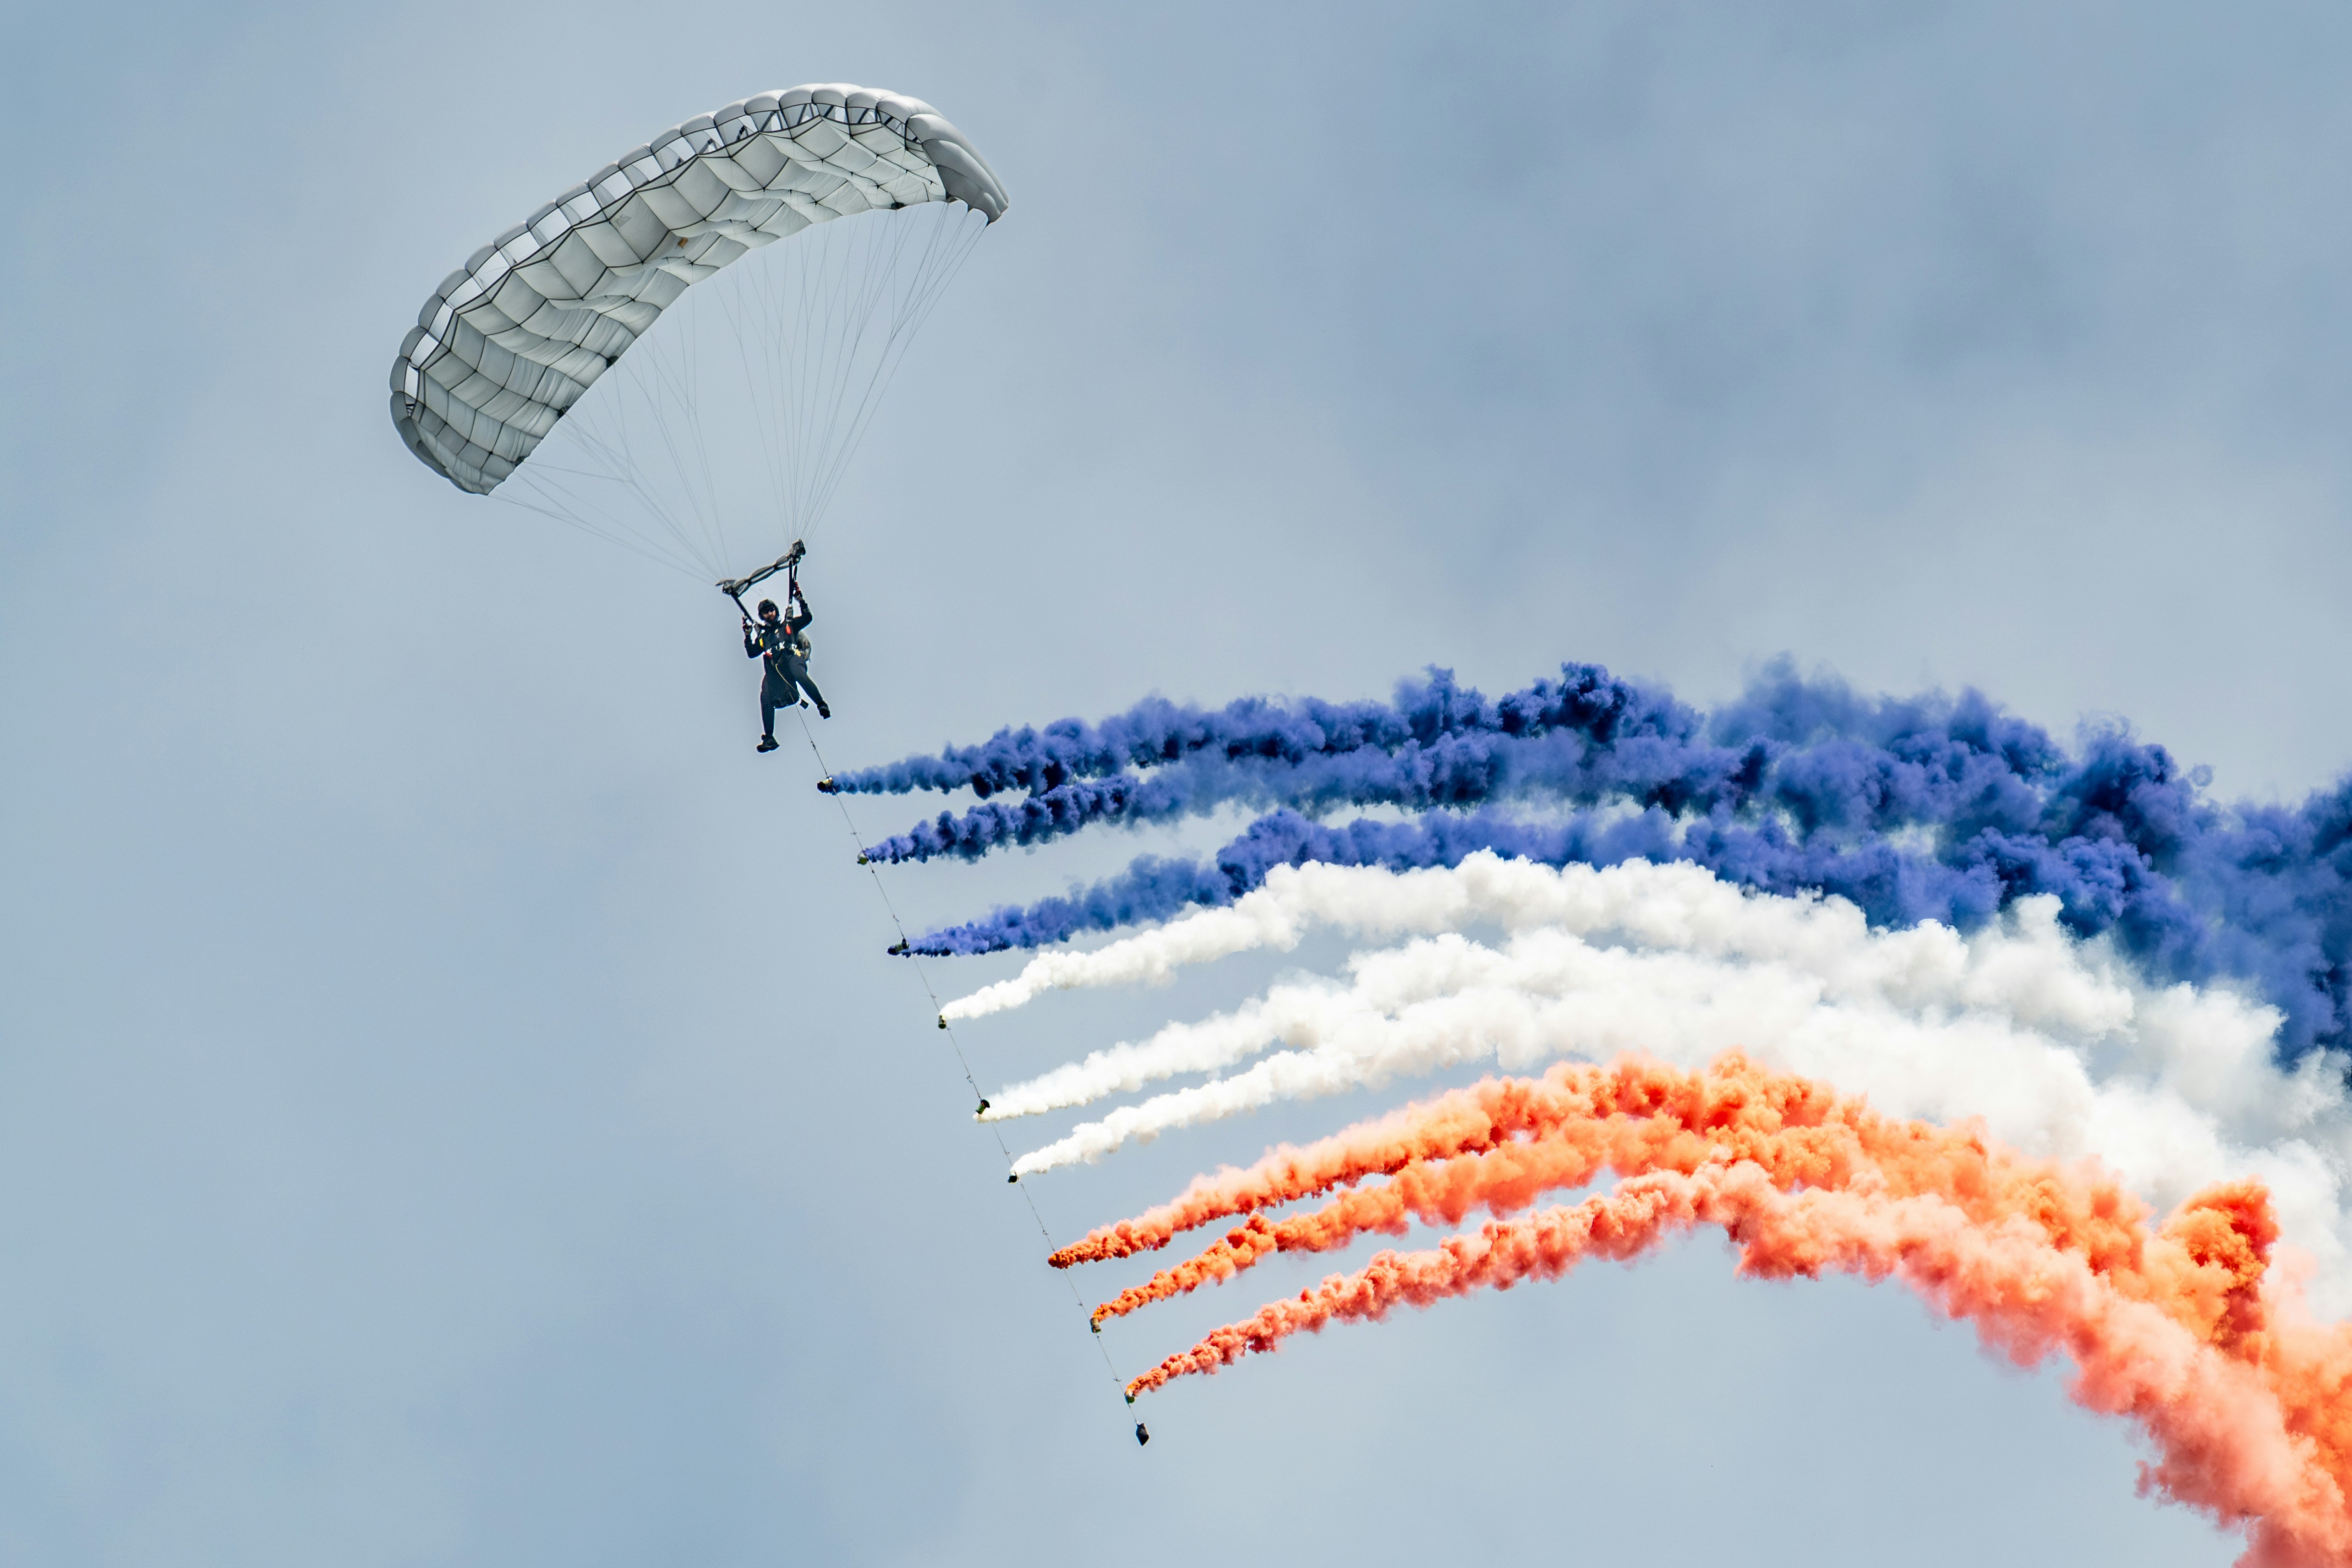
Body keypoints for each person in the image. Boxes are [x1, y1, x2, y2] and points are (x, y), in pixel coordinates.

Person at [744, 588, 828, 752]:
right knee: (765, 694)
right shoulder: (763, 638)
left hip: (792, 660)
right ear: (762, 617)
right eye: (766, 613)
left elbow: (807, 618)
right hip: (777, 672)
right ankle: (770, 738)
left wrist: (801, 601)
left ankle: (821, 704)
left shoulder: (788, 625)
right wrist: (748, 636)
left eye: (771, 610)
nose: (769, 614)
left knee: (799, 674)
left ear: (776, 611)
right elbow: (752, 653)